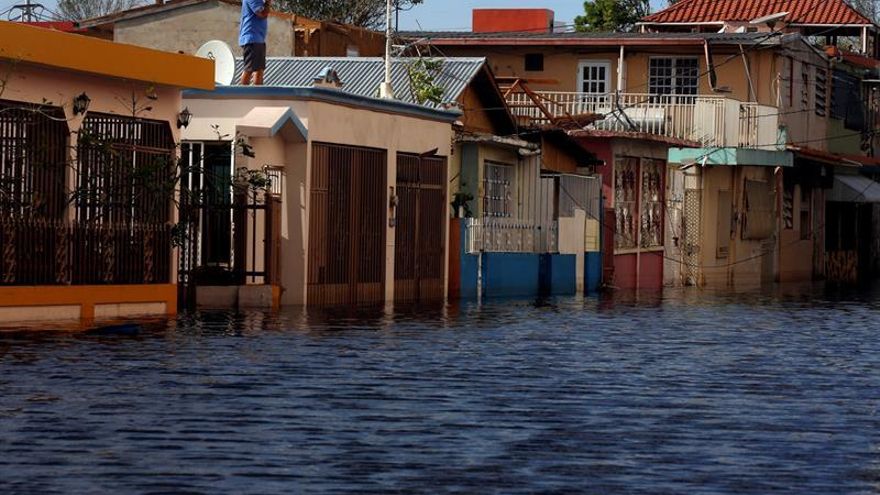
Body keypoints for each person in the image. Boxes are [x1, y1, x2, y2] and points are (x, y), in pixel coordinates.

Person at [239, 0, 271, 86]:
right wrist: (268, 2)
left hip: (258, 39)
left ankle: (258, 96)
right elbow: (262, 14)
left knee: (259, 70)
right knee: (249, 69)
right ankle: (242, 95)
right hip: (251, 38)